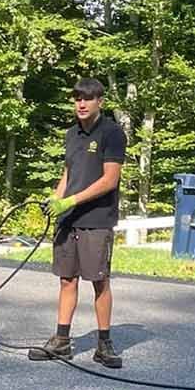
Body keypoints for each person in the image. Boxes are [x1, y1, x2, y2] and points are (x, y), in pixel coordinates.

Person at [30, 77, 126, 368]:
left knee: (99, 281)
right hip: (68, 220)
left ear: (100, 102)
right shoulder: (72, 134)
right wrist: (56, 199)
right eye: (77, 99)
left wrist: (72, 200)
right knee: (67, 279)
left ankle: (104, 344)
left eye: (88, 98)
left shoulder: (112, 133)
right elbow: (68, 174)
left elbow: (110, 180)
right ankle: (61, 341)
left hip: (96, 220)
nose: (82, 104)